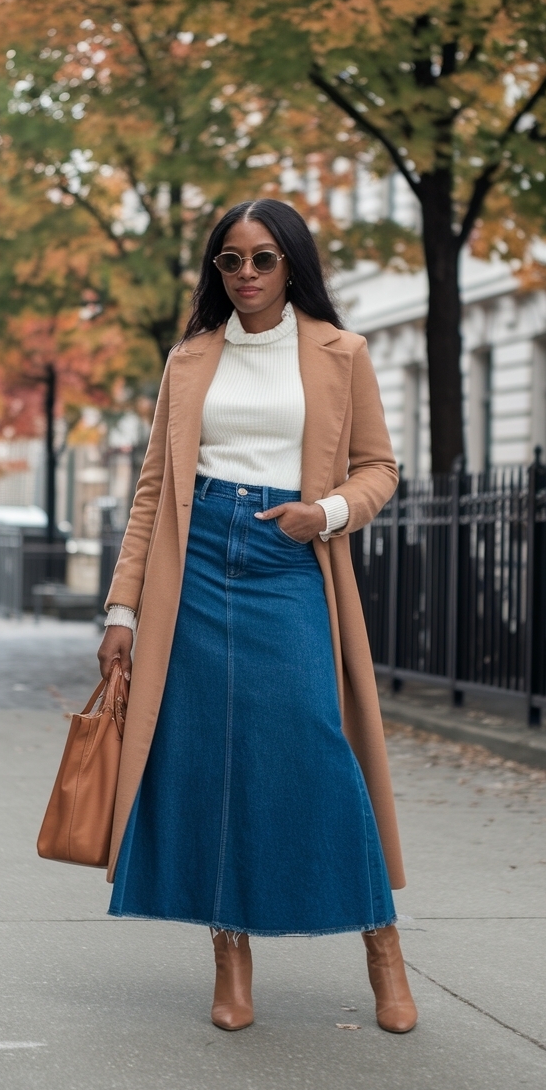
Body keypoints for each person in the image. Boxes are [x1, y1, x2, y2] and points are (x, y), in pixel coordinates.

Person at [97, 198, 417, 1034]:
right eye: (229, 260)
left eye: (262, 258)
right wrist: (122, 610)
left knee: (315, 743)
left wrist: (332, 513)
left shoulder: (341, 352)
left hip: (288, 557)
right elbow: (152, 492)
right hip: (194, 558)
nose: (244, 275)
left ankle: (382, 944)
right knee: (210, 756)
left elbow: (381, 466)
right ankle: (230, 959)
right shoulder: (191, 358)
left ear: (292, 264)